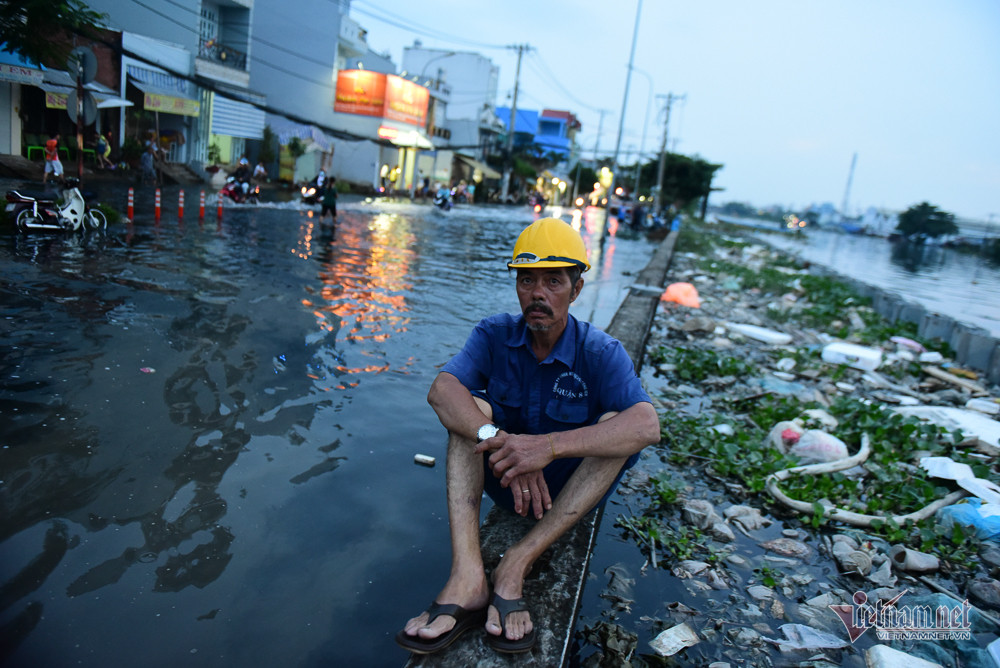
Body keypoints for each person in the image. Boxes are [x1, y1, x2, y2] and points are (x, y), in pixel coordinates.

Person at [397, 218, 660, 655]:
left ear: (576, 290)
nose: (537, 294)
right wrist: (502, 440)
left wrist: (547, 447)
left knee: (620, 425)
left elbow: (647, 426)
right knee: (469, 410)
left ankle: (517, 562)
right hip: (507, 479)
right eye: (527, 280)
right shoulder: (494, 334)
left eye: (553, 282)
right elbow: (441, 391)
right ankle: (467, 575)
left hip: (564, 493)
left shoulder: (599, 352)